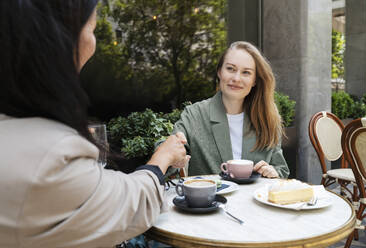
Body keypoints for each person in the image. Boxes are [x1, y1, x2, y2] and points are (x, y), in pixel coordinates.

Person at [0, 1, 189, 247]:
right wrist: (161, 158)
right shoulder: (50, 155)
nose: (94, 45)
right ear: (56, 41)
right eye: (93, 29)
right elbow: (128, 207)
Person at [171, 41, 289, 178]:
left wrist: (273, 172)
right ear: (220, 72)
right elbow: (168, 150)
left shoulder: (267, 116)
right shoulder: (194, 114)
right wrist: (174, 158)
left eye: (246, 72)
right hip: (211, 198)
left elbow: (281, 169)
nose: (236, 78)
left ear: (254, 81)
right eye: (230, 69)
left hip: (255, 198)